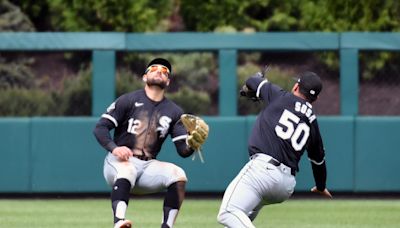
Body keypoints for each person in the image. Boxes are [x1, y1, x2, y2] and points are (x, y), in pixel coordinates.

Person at [93, 58, 202, 228]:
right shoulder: (127, 100)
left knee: (178, 174)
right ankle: (119, 222)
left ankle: (167, 226)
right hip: (118, 163)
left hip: (147, 167)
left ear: (168, 81)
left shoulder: (174, 111)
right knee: (127, 168)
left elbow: (183, 150)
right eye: (154, 68)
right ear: (145, 77)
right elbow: (100, 128)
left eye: (164, 71)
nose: (159, 71)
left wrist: (193, 144)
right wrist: (114, 148)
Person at [217, 71, 332, 228]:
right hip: (285, 186)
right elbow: (318, 161)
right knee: (239, 219)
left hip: (263, 171)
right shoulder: (312, 121)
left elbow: (252, 80)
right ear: (316, 99)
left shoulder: (281, 96)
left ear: (296, 86)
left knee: (228, 212)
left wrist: (259, 79)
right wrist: (320, 186)